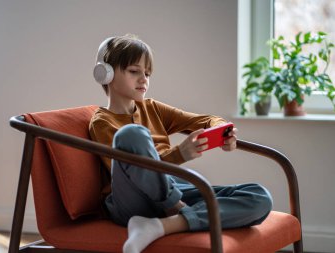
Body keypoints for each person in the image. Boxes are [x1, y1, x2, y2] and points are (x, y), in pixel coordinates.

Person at [89, 34, 273, 253]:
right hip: (132, 201)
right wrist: (179, 155)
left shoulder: (152, 108)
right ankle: (176, 210)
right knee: (132, 134)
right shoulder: (101, 122)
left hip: (174, 188)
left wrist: (224, 131)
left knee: (259, 196)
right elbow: (133, 169)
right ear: (105, 73)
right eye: (134, 71)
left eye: (147, 73)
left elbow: (204, 120)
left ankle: (162, 226)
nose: (144, 79)